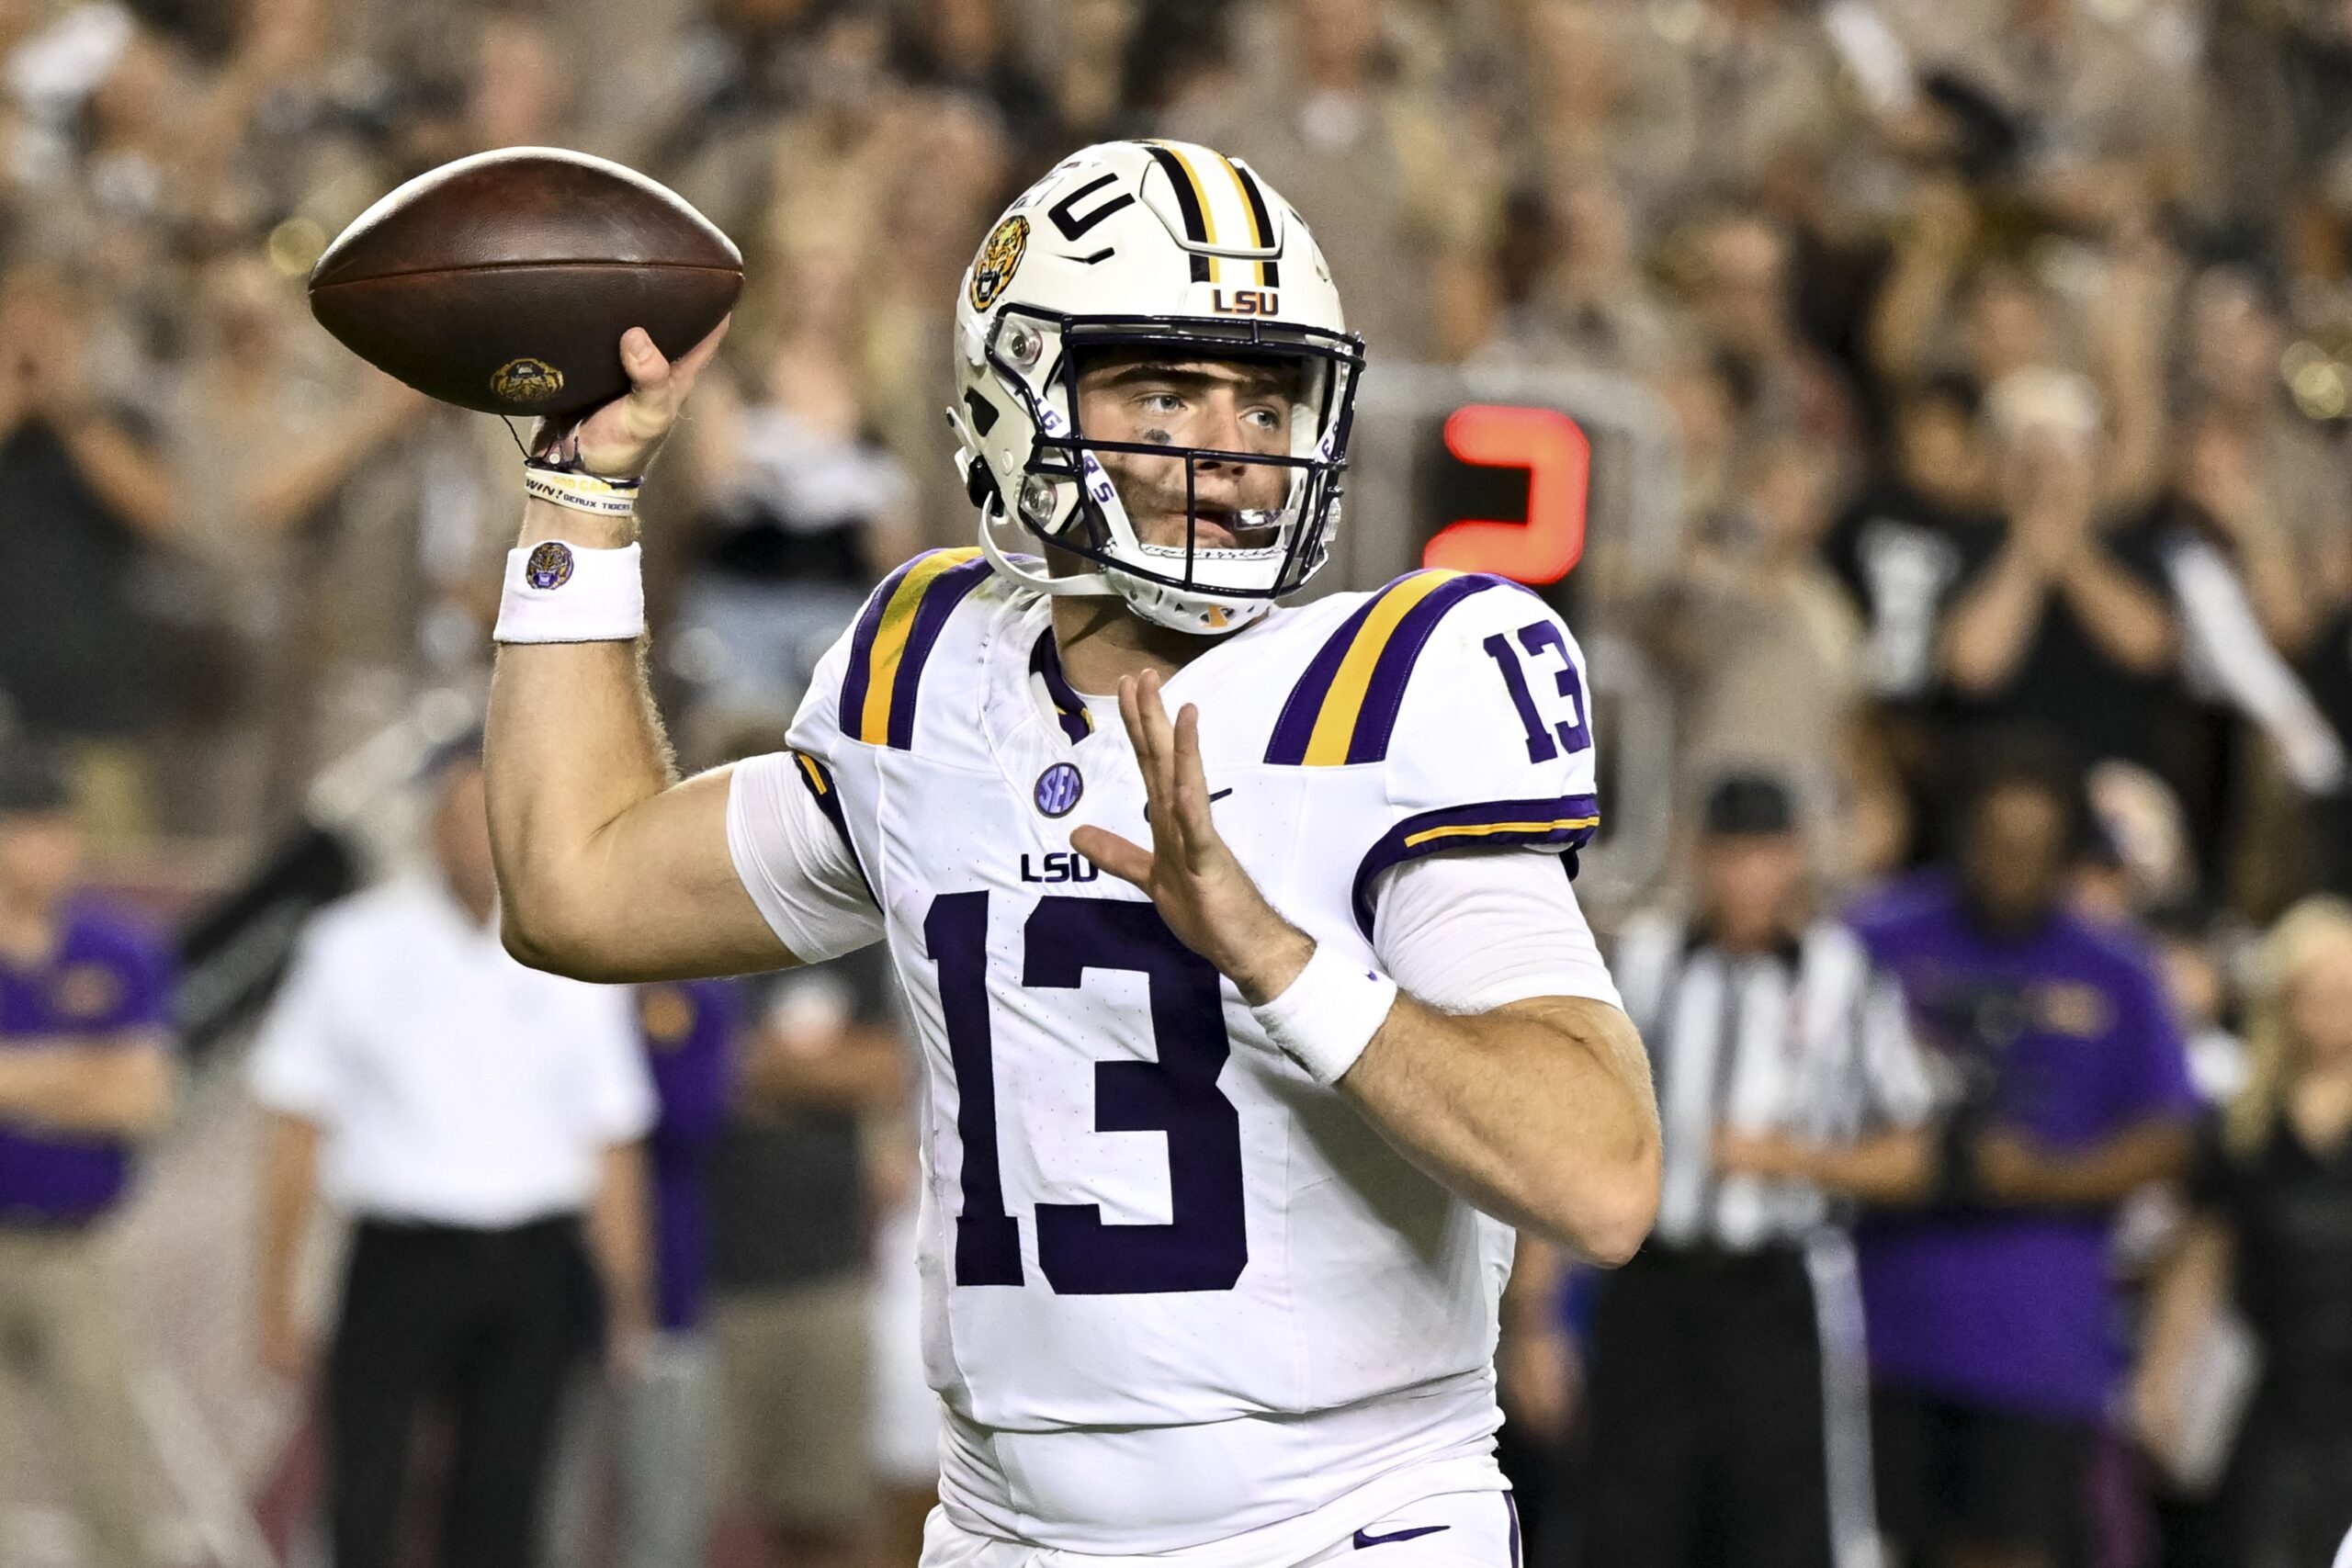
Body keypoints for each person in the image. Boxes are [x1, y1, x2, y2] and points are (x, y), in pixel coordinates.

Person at [484, 137, 1660, 1563]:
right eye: (1166, 386)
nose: (1228, 443)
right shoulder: (927, 670)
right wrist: (580, 500)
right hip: (1004, 1529)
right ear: (1015, 397)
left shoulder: (1402, 683)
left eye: (1264, 393)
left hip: (1341, 1520)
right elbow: (575, 892)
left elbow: (1602, 1177)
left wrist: (1280, 961)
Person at [248, 750, 658, 1568]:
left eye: (491, 820)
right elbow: (296, 1126)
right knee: (364, 1493)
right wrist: (275, 1296)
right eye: (459, 818)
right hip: (399, 1254)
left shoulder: (575, 948)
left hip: (533, 1264)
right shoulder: (352, 946)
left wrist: (627, 1295)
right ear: (430, 829)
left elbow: (611, 1137)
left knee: (503, 1502)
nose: (475, 839)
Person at [1851, 742, 2200, 1568]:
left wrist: (2044, 1177)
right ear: (1961, 833)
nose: (2013, 863)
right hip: (1883, 1324)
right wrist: (1889, 1159)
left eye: (2035, 844)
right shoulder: (1873, 938)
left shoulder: (2115, 970)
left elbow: (2172, 1136)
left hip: (2036, 1338)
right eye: (1996, 839)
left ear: (2068, 849)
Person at [1572, 773, 1933, 1568]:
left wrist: (1791, 1156)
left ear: (1796, 859)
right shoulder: (1645, 963)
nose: (1750, 879)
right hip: (1650, 1290)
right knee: (1628, 1523)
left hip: (1773, 1294)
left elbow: (1913, 1151)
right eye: (1732, 857)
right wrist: (1535, 1314)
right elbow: (1578, 1133)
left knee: (1781, 1527)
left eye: (1767, 856)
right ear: (1700, 859)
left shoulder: (1843, 976)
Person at [0, 746, 177, 1568]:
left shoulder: (116, 946)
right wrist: (80, 1073)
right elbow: (107, 1082)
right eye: (34, 830)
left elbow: (141, 1097)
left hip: (77, 1242)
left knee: (107, 1453)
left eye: (63, 830)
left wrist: (15, 1074)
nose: (55, 849)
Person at [2138, 897, 2352, 1568]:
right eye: (2313, 990)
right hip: (2276, 1389)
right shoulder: (2243, 1127)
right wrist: (2161, 1375)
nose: (2330, 1007)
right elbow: (2203, 1254)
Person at [707, 953, 908, 1568]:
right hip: (702, 1293)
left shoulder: (844, 935)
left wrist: (758, 1067)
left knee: (830, 1519)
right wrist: (818, 1070)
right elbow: (690, 1072)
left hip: (830, 1276)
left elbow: (885, 1069)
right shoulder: (682, 931)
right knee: (698, 1522)